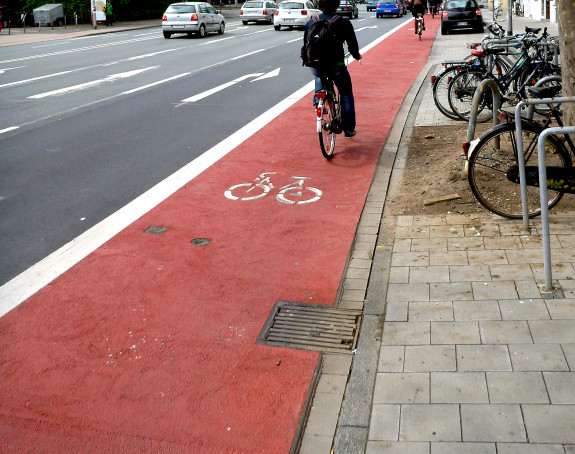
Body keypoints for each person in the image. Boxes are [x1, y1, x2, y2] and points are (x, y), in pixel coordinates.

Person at [304, 0, 362, 138]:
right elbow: (352, 46)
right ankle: (348, 129)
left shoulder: (310, 22)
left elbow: (306, 46)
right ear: (336, 5)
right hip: (337, 66)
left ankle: (319, 100)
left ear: (319, 5)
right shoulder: (344, 23)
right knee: (346, 93)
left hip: (317, 65)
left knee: (319, 75)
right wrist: (357, 56)